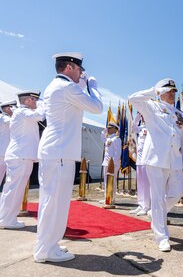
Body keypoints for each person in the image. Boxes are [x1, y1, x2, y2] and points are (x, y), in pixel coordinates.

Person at [34, 52, 103, 263]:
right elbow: (97, 107)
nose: (82, 74)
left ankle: (50, 244)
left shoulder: (59, 86)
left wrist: (83, 83)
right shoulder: (65, 87)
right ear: (70, 68)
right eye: (80, 70)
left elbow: (79, 95)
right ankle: (44, 250)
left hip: (58, 152)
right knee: (54, 203)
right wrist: (93, 86)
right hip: (59, 152)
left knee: (56, 202)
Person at [128, 78, 183, 252]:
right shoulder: (151, 107)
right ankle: (162, 237)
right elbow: (132, 99)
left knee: (177, 193)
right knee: (158, 197)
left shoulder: (180, 114)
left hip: (174, 160)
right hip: (155, 159)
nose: (172, 94)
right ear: (161, 92)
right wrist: (152, 91)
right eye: (169, 91)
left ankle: (155, 214)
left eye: (174, 91)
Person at [0, 92, 44, 229]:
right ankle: (5, 219)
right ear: (28, 100)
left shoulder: (22, 113)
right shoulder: (22, 112)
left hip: (23, 156)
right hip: (20, 156)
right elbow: (40, 115)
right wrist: (45, 103)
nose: (37, 102)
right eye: (35, 100)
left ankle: (9, 218)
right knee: (12, 189)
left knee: (16, 189)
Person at [129, 112, 151, 216]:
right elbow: (133, 127)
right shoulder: (141, 127)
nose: (143, 117)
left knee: (147, 184)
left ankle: (147, 206)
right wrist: (138, 115)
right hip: (139, 160)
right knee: (140, 184)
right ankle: (141, 204)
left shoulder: (152, 126)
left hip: (147, 160)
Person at [99, 122, 121, 204]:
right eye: (108, 128)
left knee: (112, 181)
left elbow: (117, 153)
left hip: (112, 164)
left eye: (110, 128)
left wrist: (113, 164)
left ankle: (112, 198)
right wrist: (104, 131)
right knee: (106, 181)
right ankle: (106, 197)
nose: (108, 129)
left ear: (115, 129)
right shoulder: (108, 139)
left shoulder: (116, 139)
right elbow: (102, 138)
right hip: (106, 163)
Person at [0, 100, 17, 186]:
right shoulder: (4, 118)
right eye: (13, 107)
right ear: (7, 108)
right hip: (2, 152)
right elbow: (16, 122)